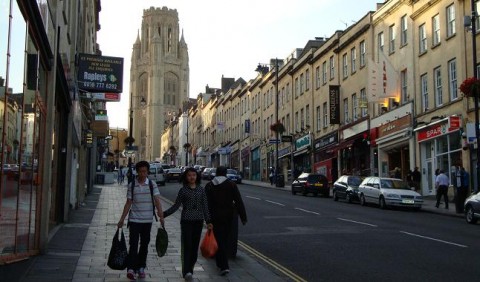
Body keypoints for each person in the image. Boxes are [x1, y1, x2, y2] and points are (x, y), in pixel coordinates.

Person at [117, 161, 165, 280]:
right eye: (140, 171)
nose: (143, 174)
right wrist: (122, 219)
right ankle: (131, 269)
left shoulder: (152, 184)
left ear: (147, 172)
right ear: (137, 172)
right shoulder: (132, 185)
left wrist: (161, 216)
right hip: (134, 220)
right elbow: (128, 203)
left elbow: (157, 200)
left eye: (145, 171)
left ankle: (141, 267)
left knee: (144, 245)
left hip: (147, 221)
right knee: (133, 245)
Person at [162, 167, 212, 281]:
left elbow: (205, 207)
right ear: (186, 177)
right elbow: (176, 206)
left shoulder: (201, 190)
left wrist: (208, 221)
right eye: (189, 175)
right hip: (186, 222)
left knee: (194, 248)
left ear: (197, 176)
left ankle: (191, 269)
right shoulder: (183, 191)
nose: (192, 177)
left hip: (198, 222)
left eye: (194, 175)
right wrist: (164, 214)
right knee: (187, 246)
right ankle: (186, 271)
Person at [205, 166, 247, 276]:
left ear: (216, 173)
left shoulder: (209, 186)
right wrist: (243, 217)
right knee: (222, 240)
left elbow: (205, 204)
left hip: (214, 218)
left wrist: (207, 219)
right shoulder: (231, 185)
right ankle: (224, 266)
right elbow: (238, 201)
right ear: (225, 174)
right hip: (228, 217)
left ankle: (220, 263)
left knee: (219, 240)